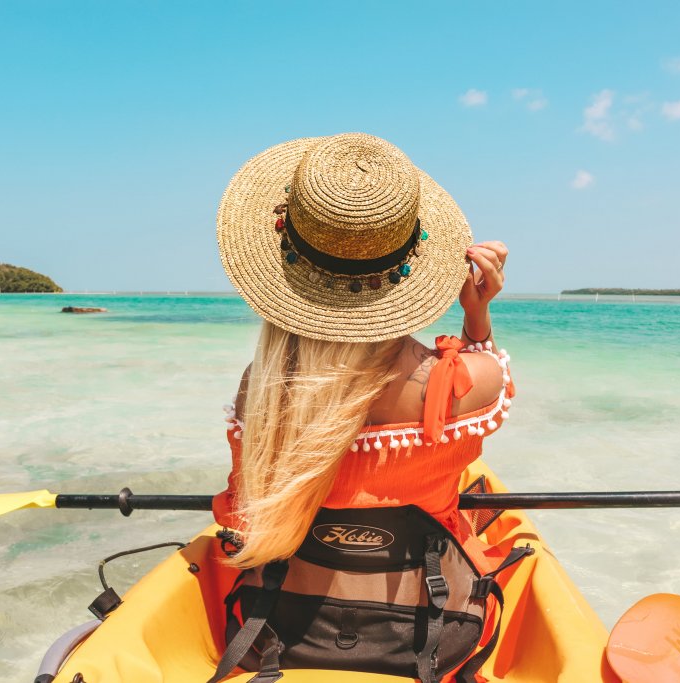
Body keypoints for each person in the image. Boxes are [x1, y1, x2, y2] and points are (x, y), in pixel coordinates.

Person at [209, 133, 522, 683]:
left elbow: (239, 506)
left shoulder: (257, 390)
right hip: (429, 629)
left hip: (279, 627)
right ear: (411, 264)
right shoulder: (463, 385)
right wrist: (478, 317)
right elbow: (487, 371)